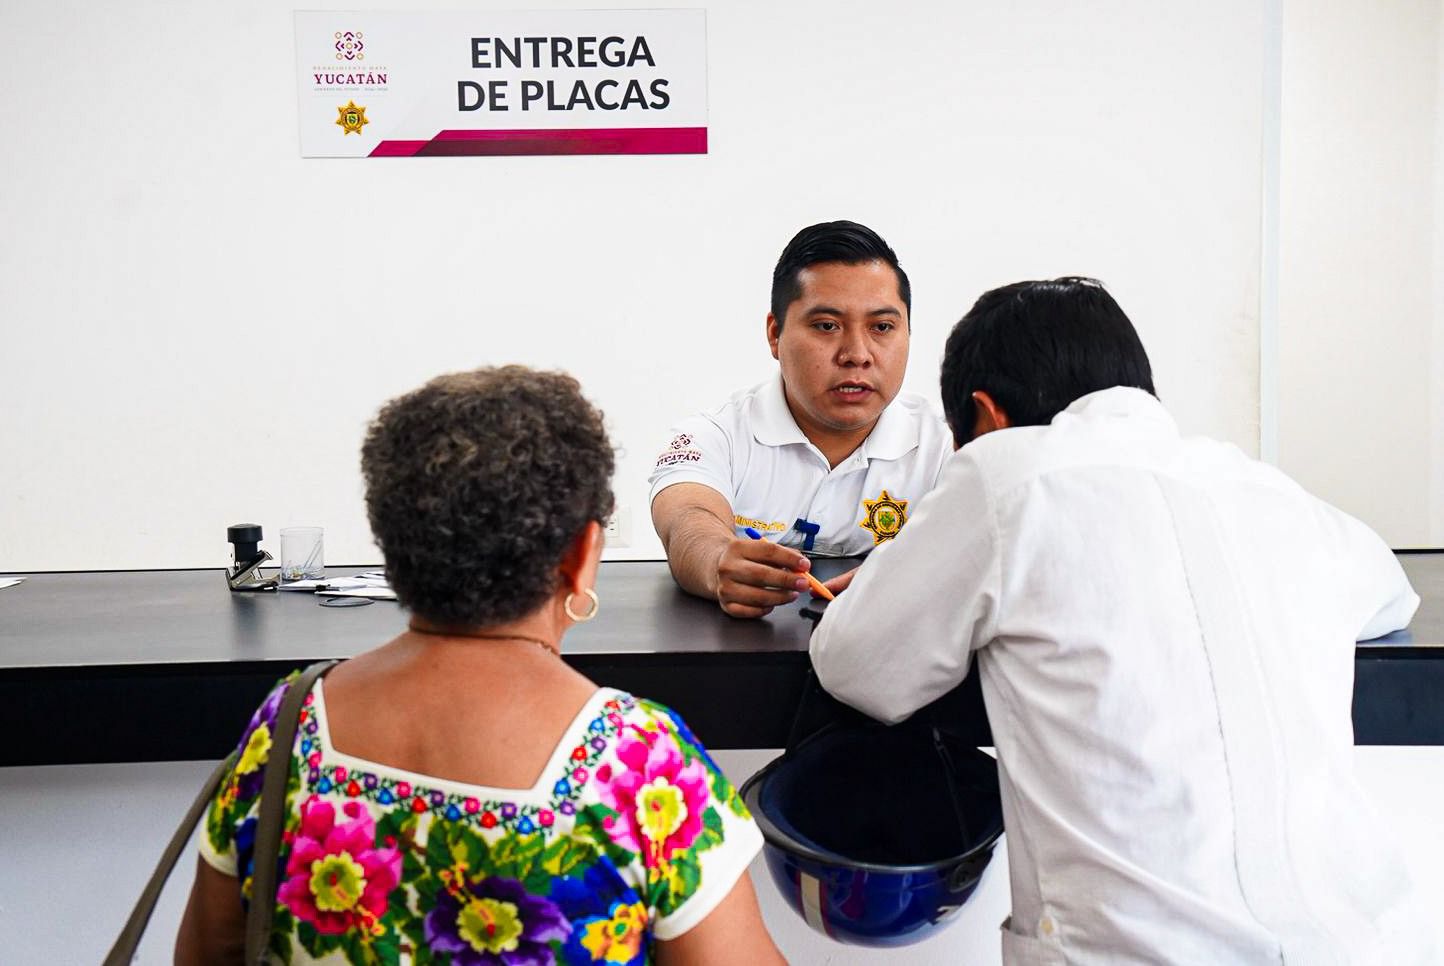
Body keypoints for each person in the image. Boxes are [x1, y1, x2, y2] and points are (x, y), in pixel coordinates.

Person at [809, 278, 1432, 963]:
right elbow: (1392, 593)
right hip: (1367, 943)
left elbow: (855, 665)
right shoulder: (1263, 489)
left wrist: (907, 569)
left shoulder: (1006, 469)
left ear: (985, 417)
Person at [177, 366, 784, 966]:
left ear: (391, 541)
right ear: (581, 555)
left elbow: (206, 953)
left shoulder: (291, 722)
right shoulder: (639, 764)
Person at [649, 220, 953, 618]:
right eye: (827, 326)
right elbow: (688, 521)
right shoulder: (715, 435)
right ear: (775, 335)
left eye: (882, 327)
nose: (856, 354)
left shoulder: (950, 445)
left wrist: (912, 576)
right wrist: (719, 559)